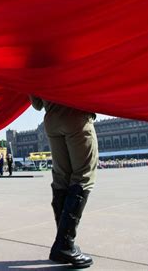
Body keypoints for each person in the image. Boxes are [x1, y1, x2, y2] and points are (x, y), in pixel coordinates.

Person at [30, 96, 97, 268]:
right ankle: (65, 244)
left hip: (52, 122)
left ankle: (62, 243)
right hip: (76, 116)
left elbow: (37, 105)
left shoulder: (35, 67)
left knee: (61, 179)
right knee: (83, 176)